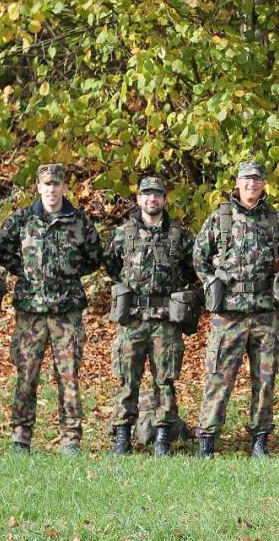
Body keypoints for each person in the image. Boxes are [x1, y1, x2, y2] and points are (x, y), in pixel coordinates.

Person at [0, 163, 103, 455]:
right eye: (47, 185)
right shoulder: (22, 220)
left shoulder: (79, 221)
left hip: (66, 312)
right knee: (26, 374)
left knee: (68, 376)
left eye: (57, 184)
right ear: (38, 187)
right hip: (31, 310)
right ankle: (21, 436)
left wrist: (67, 274)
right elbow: (3, 251)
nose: (52, 190)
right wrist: (28, 273)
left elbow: (94, 257)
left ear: (65, 188)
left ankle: (70, 438)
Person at [194, 160, 279, 458]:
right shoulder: (220, 218)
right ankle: (208, 439)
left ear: (263, 183)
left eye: (257, 179)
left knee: (265, 379)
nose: (252, 184)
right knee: (219, 377)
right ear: (237, 182)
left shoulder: (274, 220)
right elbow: (199, 258)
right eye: (246, 179)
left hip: (264, 312)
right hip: (229, 314)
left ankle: (260, 438)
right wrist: (212, 283)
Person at [104, 176, 197, 456]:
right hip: (132, 317)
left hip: (165, 319)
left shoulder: (179, 235)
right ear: (138, 199)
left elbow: (193, 269)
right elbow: (110, 262)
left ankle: (162, 437)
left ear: (164, 199)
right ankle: (122, 437)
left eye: (157, 194)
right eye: (146, 195)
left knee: (165, 380)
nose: (151, 199)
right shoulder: (124, 233)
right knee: (126, 379)